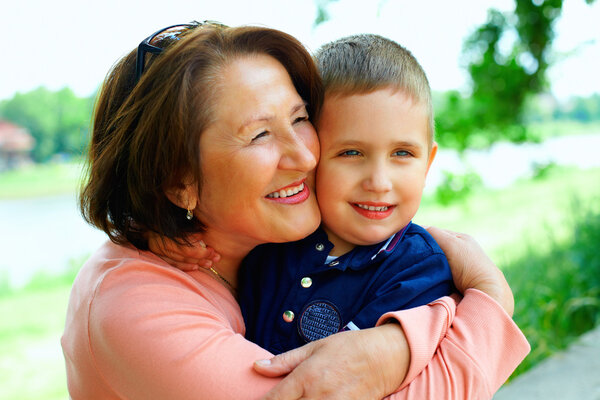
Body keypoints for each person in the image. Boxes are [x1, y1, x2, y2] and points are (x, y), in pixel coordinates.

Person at [62, 21, 529, 400]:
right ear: (178, 181)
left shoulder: (259, 246)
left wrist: (402, 337)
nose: (308, 157)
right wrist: (483, 304)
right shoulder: (134, 305)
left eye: (300, 119)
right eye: (260, 135)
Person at [239, 34, 455, 354]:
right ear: (310, 158)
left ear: (427, 164)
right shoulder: (271, 241)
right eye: (351, 153)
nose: (379, 182)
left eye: (403, 153)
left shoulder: (419, 272)